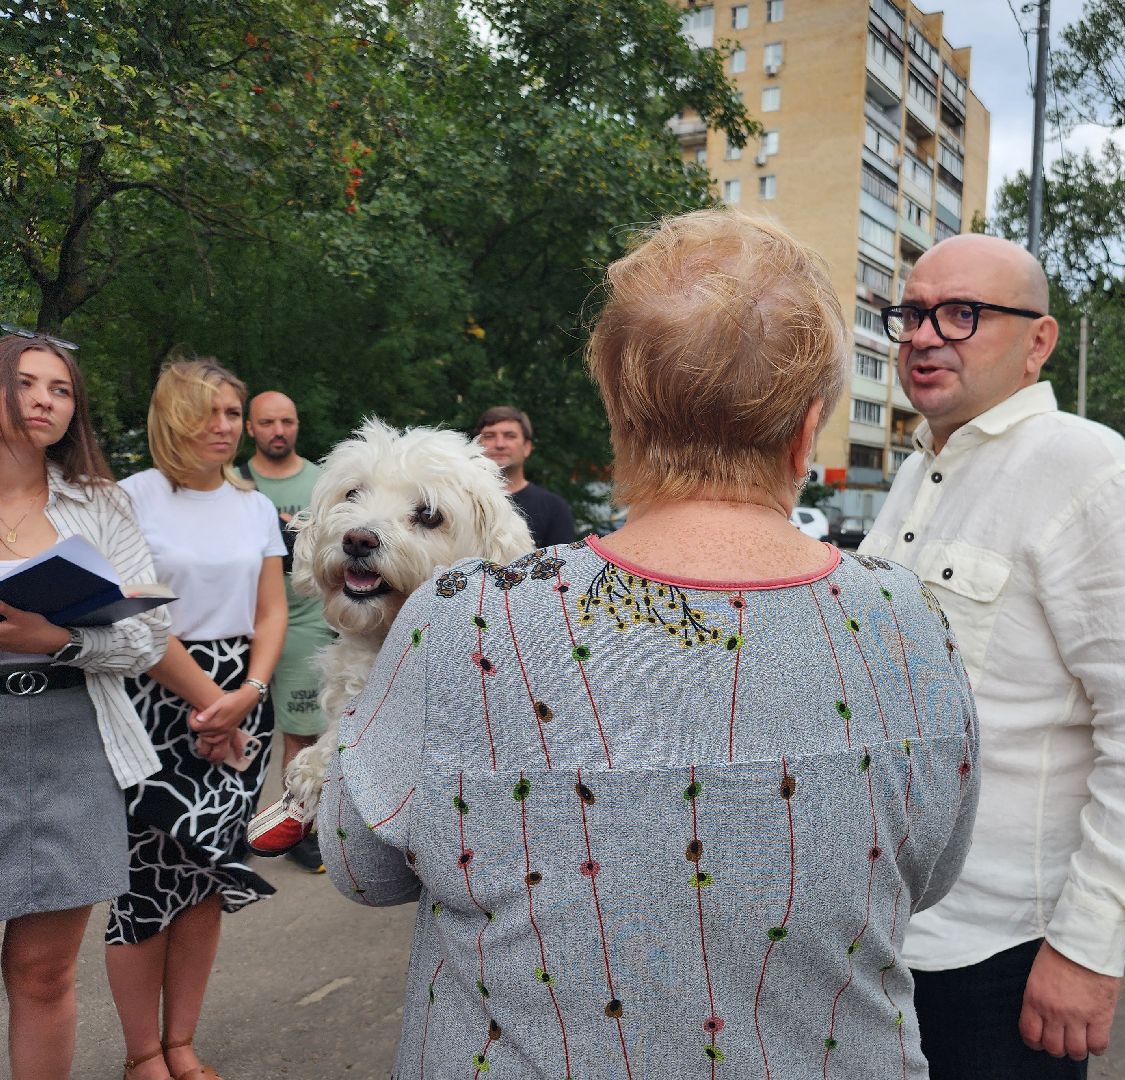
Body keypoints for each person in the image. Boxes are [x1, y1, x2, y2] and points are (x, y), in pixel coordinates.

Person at [320, 209, 981, 1079]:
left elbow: (361, 868)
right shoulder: (909, 621)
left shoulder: (463, 619)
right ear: (806, 427)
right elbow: (926, 874)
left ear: (617, 411)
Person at [859, 233, 1125, 1077]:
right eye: (911, 313)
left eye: (962, 314)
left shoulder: (1092, 476)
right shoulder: (917, 476)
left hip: (1008, 954)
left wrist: (1089, 945)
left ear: (1038, 341)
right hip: (887, 940)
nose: (924, 335)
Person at [107, 358, 288, 1080]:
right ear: (172, 416)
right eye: (209, 413)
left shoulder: (255, 504)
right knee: (147, 879)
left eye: (232, 414)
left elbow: (272, 609)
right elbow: (134, 612)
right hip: (157, 697)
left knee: (208, 876)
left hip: (243, 699)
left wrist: (249, 689)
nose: (225, 427)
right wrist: (205, 700)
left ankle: (181, 1043)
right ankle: (141, 1054)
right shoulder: (130, 498)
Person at [0, 329, 171, 1080]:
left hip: (74, 737)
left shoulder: (100, 504)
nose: (44, 399)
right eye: (27, 383)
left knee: (43, 972)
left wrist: (56, 638)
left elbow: (149, 633)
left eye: (61, 389)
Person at [242, 389, 332, 873]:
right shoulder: (234, 482)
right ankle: (231, 823)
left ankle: (298, 826)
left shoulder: (325, 480)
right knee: (241, 731)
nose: (279, 430)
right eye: (268, 422)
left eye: (288, 421)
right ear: (251, 428)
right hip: (241, 622)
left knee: (302, 732)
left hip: (305, 622)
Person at [474, 405, 576, 545]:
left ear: (527, 447)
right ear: (477, 444)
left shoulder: (554, 508)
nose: (499, 444)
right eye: (489, 436)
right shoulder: (462, 501)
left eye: (510, 436)